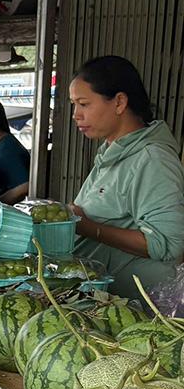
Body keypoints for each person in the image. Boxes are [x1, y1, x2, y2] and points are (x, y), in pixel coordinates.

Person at [67, 55, 184, 297]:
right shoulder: (111, 152)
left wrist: (88, 227)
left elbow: (168, 245)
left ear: (119, 102)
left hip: (138, 309)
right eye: (74, 105)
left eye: (84, 104)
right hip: (102, 301)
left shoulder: (152, 159)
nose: (76, 115)